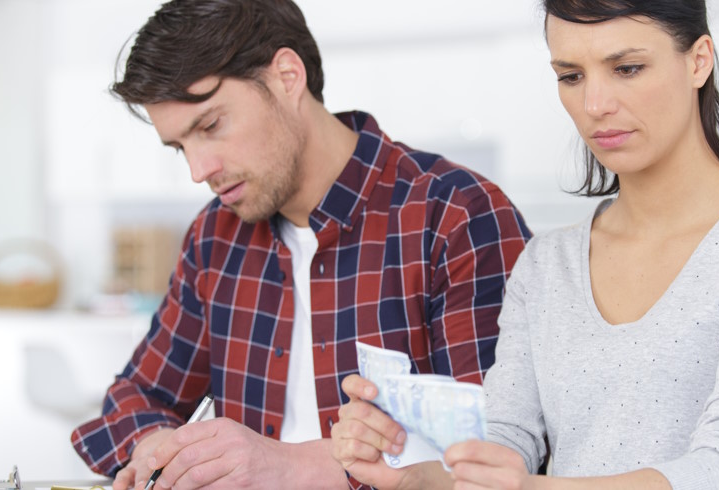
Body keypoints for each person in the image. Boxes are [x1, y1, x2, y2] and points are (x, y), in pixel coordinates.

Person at [330, 0, 719, 489]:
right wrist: (416, 474)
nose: (595, 104)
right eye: (571, 76)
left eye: (627, 68)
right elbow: (506, 445)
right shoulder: (547, 264)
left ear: (699, 62)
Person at [68, 1, 531, 488]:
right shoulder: (214, 238)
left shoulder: (457, 217)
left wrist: (292, 465)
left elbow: (497, 459)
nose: (198, 170)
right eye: (181, 146)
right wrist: (161, 450)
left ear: (287, 76)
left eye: (210, 126)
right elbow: (137, 397)